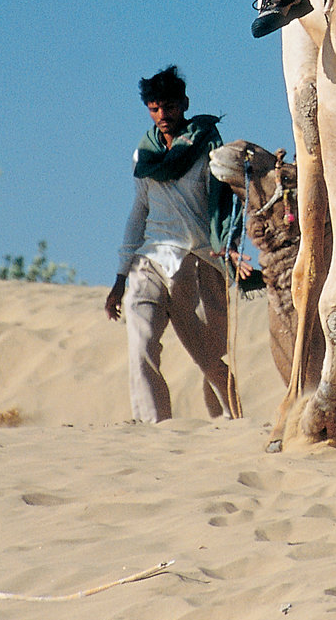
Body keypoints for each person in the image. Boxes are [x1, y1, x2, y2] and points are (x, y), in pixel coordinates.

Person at [104, 65, 244, 422]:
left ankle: (233, 420)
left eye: (168, 106)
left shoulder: (210, 148)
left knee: (208, 356)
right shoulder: (145, 156)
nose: (162, 115)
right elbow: (139, 212)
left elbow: (227, 204)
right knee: (141, 346)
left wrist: (229, 245)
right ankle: (155, 428)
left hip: (196, 261)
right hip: (149, 259)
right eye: (154, 108)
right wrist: (120, 277)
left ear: (184, 103)